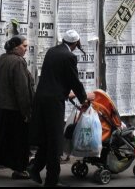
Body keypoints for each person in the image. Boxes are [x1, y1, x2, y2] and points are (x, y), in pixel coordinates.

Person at [27, 30, 95, 187]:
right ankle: (51, 180)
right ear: (76, 43)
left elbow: (54, 78)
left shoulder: (52, 51)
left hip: (42, 99)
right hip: (53, 103)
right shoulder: (69, 56)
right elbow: (74, 81)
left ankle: (35, 167)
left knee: (46, 137)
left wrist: (67, 93)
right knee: (56, 141)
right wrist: (84, 99)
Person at [0, 35, 35, 179]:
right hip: (15, 109)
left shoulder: (2, 58)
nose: (26, 49)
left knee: (0, 136)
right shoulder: (18, 62)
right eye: (24, 46)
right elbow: (21, 89)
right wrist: (26, 111)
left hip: (2, 106)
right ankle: (20, 169)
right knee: (20, 140)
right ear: (16, 47)